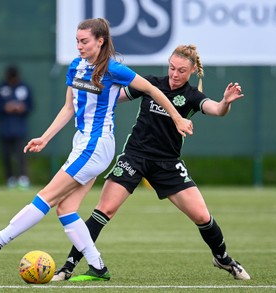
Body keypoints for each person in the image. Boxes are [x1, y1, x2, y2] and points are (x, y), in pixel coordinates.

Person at [0, 18, 193, 282]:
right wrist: (45, 138)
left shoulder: (114, 69)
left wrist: (176, 117)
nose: (79, 46)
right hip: (82, 143)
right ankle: (98, 267)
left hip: (97, 145)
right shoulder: (75, 66)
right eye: (77, 41)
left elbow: (151, 89)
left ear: (100, 41)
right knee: (66, 208)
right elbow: (68, 109)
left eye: (85, 41)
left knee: (46, 197)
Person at [51, 44, 251, 281]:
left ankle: (223, 258)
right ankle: (68, 267)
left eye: (181, 71)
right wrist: (92, 91)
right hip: (134, 156)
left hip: (167, 163)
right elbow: (115, 97)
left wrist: (225, 102)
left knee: (202, 217)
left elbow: (217, 110)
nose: (175, 75)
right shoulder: (151, 83)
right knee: (104, 210)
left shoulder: (191, 96)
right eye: (172, 68)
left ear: (192, 71)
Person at [0, 65, 33, 189]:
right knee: (6, 155)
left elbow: (30, 105)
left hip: (20, 128)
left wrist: (22, 108)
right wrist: (5, 107)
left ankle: (23, 178)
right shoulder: (1, 88)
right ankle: (10, 178)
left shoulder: (24, 87)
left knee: (21, 154)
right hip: (4, 128)